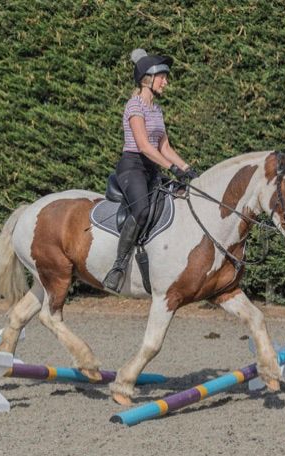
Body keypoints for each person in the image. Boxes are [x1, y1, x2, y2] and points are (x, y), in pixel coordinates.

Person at [102, 49, 198, 292]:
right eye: (162, 77)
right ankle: (118, 266)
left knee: (180, 196)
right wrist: (173, 168)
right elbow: (144, 146)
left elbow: (164, 146)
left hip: (151, 169)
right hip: (132, 167)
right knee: (142, 210)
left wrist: (188, 170)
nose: (166, 82)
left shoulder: (156, 109)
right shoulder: (134, 105)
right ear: (148, 78)